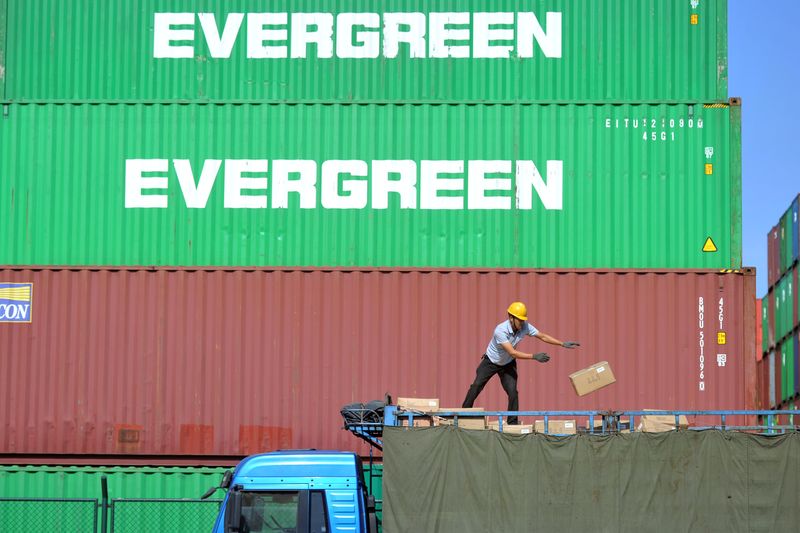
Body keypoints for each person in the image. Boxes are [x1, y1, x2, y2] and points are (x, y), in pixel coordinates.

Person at [461, 301, 580, 425]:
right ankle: (463, 416)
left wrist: (562, 343)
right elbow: (513, 352)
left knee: (513, 392)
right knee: (476, 385)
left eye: (523, 319)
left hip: (507, 364)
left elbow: (542, 336)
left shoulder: (525, 327)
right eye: (519, 320)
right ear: (511, 318)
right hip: (490, 361)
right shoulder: (500, 330)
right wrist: (534, 356)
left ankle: (512, 423)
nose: (522, 322)